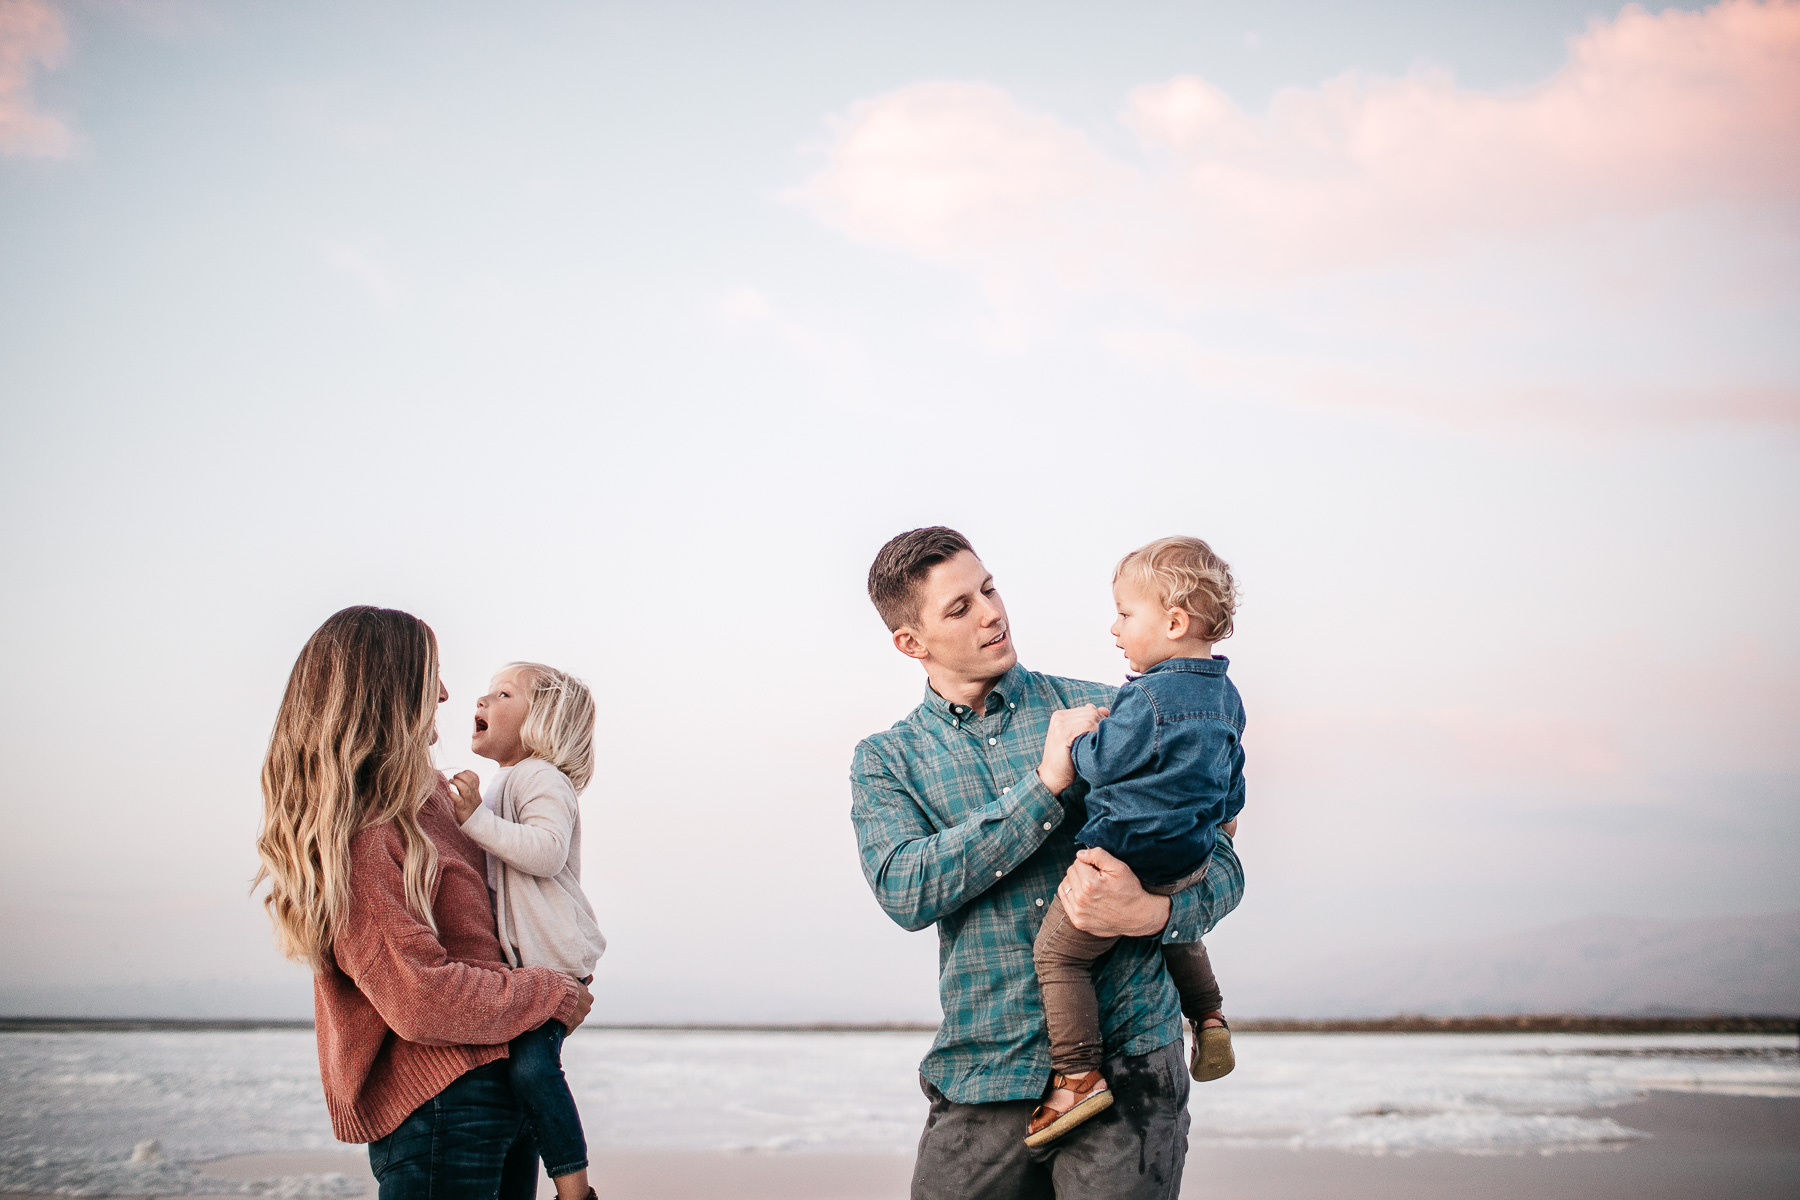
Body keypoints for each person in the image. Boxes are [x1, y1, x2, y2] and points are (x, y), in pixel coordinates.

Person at [850, 528, 1244, 1200]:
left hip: (1130, 1076)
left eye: (989, 588)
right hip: (983, 1075)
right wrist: (1043, 786)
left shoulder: (1118, 708)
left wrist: (1156, 914)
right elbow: (905, 891)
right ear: (910, 643)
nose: (991, 612)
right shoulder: (887, 759)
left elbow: (1223, 863)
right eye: (959, 608)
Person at [254, 606, 595, 1199]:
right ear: (385, 690)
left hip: (498, 1084)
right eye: (429, 675)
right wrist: (553, 991)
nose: (444, 693)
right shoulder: (364, 828)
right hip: (441, 1106)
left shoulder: (444, 800)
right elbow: (419, 998)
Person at [1026, 536, 1245, 1148]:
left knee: (1061, 956)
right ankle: (1208, 1014)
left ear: (1173, 622)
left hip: (1121, 851)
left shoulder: (1145, 697)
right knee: (1173, 928)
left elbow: (1102, 763)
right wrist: (1221, 821)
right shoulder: (1227, 698)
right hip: (1187, 853)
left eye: (1125, 613)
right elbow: (1233, 778)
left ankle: (1077, 1075)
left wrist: (1079, 738)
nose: (1115, 627)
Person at [445, 662, 607, 1200]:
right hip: (525, 967)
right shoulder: (502, 783)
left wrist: (473, 820)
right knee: (519, 1082)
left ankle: (575, 1191)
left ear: (542, 719)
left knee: (533, 1073)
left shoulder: (542, 777)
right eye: (486, 691)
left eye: (503, 693)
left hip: (554, 964)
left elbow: (546, 850)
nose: (483, 700)